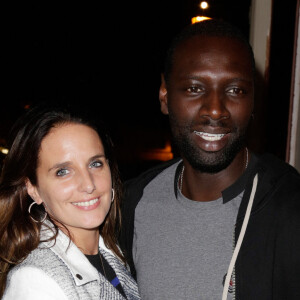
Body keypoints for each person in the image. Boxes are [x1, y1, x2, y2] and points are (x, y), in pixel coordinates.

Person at [119, 18, 300, 299]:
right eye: (194, 88)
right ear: (165, 95)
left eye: (235, 90)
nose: (215, 110)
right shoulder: (132, 203)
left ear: (252, 100)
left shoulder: (289, 209)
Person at [0, 103, 141, 300]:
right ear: (33, 189)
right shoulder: (35, 281)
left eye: (95, 163)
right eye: (63, 171)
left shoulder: (114, 253)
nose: (88, 184)